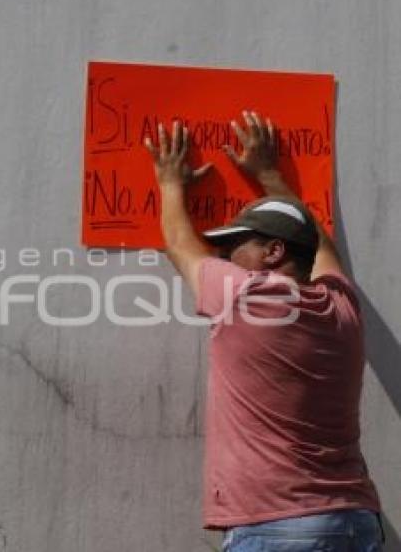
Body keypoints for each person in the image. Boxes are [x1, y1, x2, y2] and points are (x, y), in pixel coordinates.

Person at [144, 111, 384, 551]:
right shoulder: (342, 306)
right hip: (354, 521)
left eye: (236, 244)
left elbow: (179, 243)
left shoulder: (245, 297)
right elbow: (321, 246)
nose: (224, 253)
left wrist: (170, 181)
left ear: (273, 251)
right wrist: (270, 175)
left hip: (279, 527)